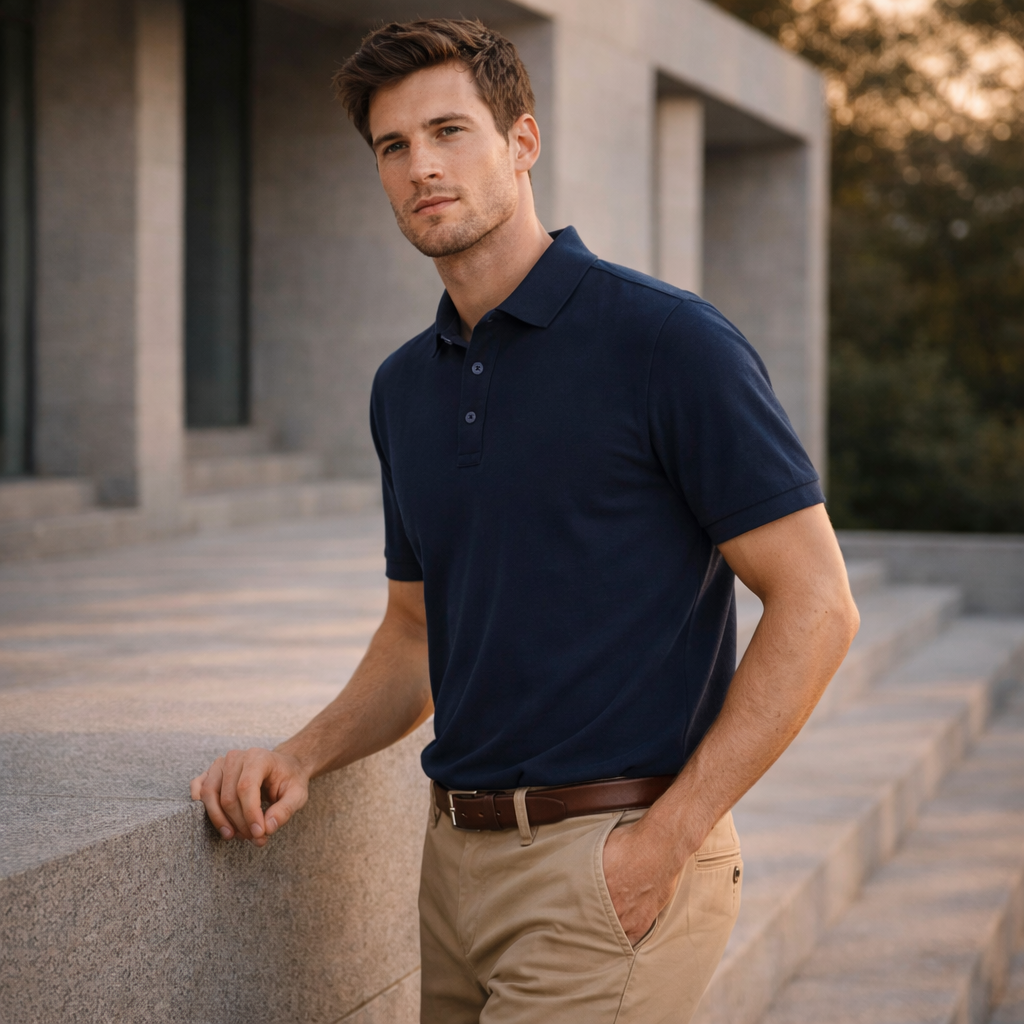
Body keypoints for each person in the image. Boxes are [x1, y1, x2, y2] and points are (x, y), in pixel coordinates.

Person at [191, 18, 860, 1024]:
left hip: (610, 858)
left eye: (450, 130)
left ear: (522, 142)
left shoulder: (667, 343)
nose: (422, 165)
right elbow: (415, 634)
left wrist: (665, 840)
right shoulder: (402, 389)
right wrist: (300, 754)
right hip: (451, 866)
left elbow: (817, 603)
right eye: (393, 145)